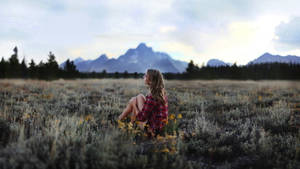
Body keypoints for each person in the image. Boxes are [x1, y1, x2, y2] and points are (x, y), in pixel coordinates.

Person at [118, 69, 168, 137]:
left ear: (150, 81)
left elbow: (141, 118)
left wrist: (134, 105)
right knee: (138, 97)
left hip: (151, 131)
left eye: (145, 76)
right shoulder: (161, 93)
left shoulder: (152, 97)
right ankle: (128, 125)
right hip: (159, 128)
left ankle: (121, 122)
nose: (143, 77)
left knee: (134, 101)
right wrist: (134, 103)